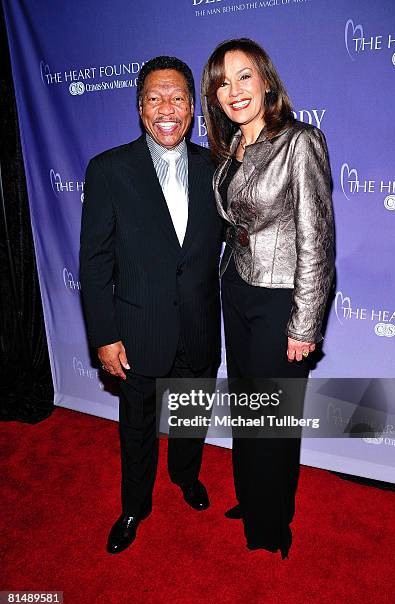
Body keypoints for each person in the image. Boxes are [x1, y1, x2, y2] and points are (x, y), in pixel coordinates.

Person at [80, 56, 223, 554]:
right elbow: (95, 265)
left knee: (189, 416)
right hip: (138, 329)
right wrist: (103, 335)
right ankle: (134, 506)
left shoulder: (217, 167)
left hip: (201, 326)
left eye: (178, 98)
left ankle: (185, 476)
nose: (168, 108)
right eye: (156, 98)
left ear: (193, 110)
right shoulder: (109, 171)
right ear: (141, 108)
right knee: (137, 429)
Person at [201, 38, 335, 558]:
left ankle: (272, 522)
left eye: (244, 77)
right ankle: (254, 497)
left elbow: (317, 238)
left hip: (280, 298)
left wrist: (304, 323)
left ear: (267, 81)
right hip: (236, 288)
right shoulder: (232, 147)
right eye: (222, 82)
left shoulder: (300, 142)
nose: (233, 90)